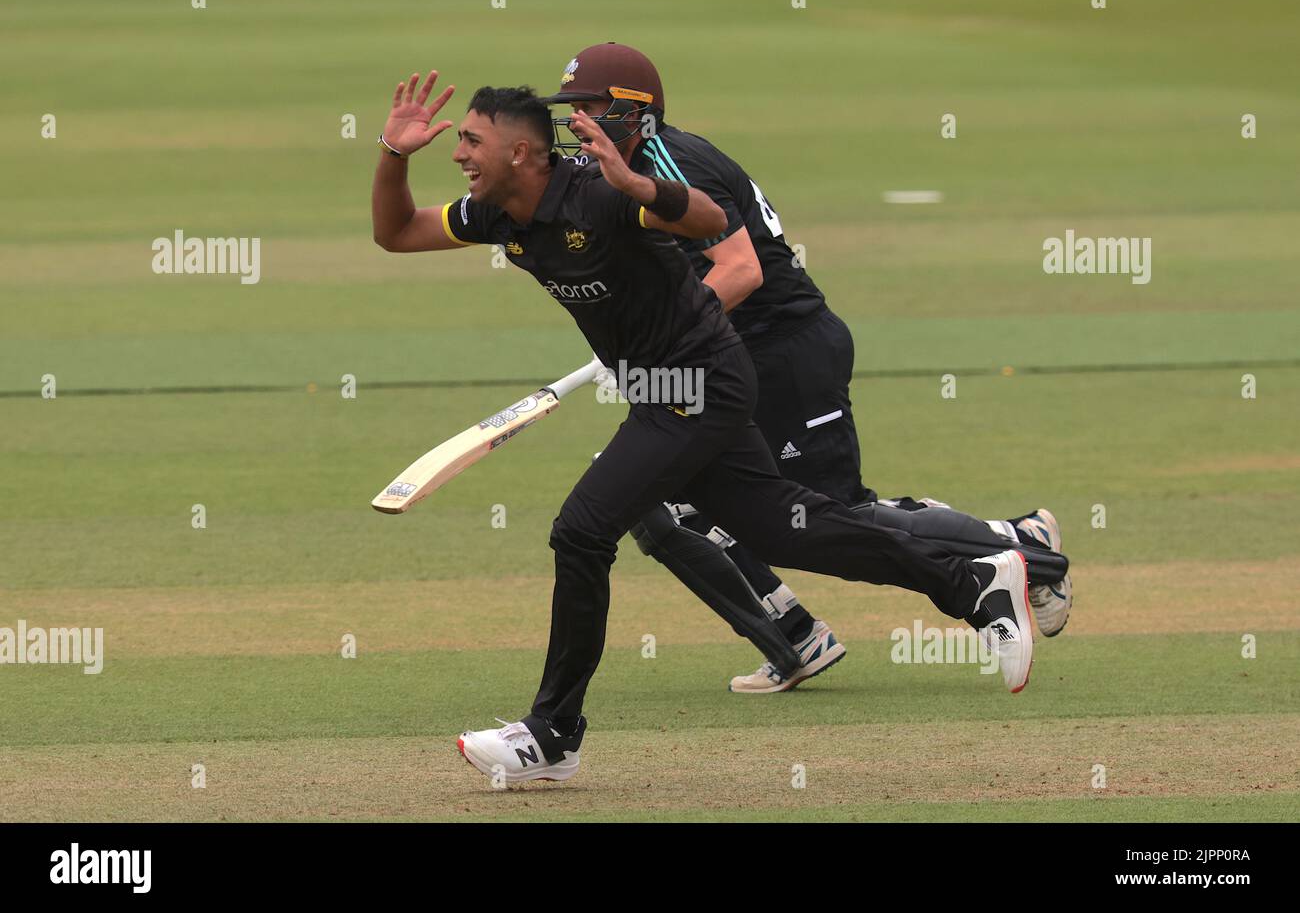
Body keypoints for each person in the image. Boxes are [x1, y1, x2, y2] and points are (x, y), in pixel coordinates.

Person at [372, 72, 1034, 785]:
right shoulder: (496, 211)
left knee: (581, 530)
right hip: (670, 389)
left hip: (697, 386)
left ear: (524, 153)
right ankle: (974, 583)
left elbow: (711, 222)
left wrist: (639, 184)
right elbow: (397, 232)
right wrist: (391, 152)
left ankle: (552, 734)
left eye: (473, 140)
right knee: (786, 529)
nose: (460, 152)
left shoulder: (600, 193)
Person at [545, 43, 1073, 693]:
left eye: (589, 107)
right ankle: (795, 633)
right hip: (725, 355)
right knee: (662, 499)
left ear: (633, 112)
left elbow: (741, 269)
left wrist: (659, 343)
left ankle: (1022, 552)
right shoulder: (610, 170)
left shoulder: (674, 161)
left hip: (782, 349)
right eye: (572, 109)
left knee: (828, 512)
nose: (576, 121)